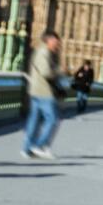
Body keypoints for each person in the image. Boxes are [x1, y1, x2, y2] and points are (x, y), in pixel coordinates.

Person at [23, 31, 63, 160]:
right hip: (43, 91)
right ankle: (39, 146)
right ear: (49, 41)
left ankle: (27, 149)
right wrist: (60, 71)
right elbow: (46, 72)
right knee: (53, 119)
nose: (58, 45)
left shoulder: (46, 52)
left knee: (33, 121)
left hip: (37, 90)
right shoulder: (43, 52)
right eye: (56, 42)